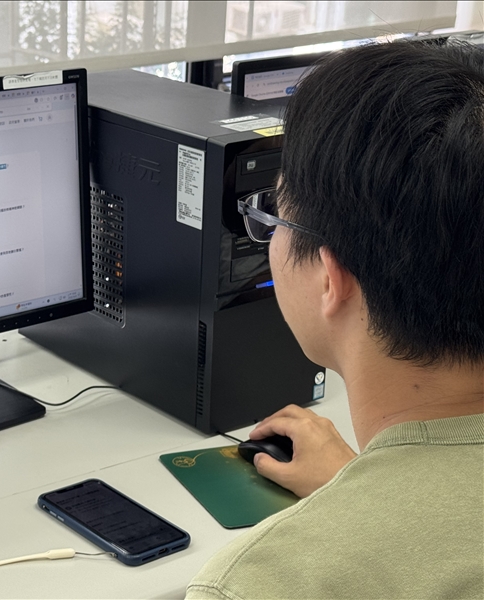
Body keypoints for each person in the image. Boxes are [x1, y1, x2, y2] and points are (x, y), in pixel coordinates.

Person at [187, 39, 484, 599]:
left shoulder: (262, 584)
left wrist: (361, 506)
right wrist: (368, 488)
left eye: (275, 216)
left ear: (331, 277)